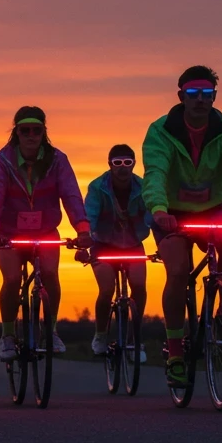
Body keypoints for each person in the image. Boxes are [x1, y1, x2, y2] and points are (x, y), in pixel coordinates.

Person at [141, 66, 222, 388]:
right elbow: (155, 173)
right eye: (193, 94)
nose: (200, 100)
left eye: (207, 95)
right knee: (178, 270)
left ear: (214, 97)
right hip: (170, 210)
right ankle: (174, 353)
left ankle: (221, 315)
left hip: (214, 206)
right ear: (181, 97)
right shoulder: (160, 130)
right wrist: (158, 210)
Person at [0, 106, 91, 360]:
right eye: (25, 130)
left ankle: (50, 331)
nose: (31, 135)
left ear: (44, 133)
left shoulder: (58, 159)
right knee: (11, 279)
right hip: (7, 231)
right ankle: (7, 335)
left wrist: (83, 228)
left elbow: (71, 194)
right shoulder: (1, 160)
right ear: (16, 133)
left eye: (37, 130)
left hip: (45, 230)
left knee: (51, 273)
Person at [84, 144, 152, 360]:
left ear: (134, 164)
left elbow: (152, 214)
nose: (123, 168)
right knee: (106, 289)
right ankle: (101, 334)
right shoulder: (97, 187)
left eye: (127, 162)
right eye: (117, 163)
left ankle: (135, 340)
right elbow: (89, 215)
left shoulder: (143, 187)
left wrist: (163, 238)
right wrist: (84, 240)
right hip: (103, 244)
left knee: (139, 287)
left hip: (133, 244)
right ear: (109, 165)